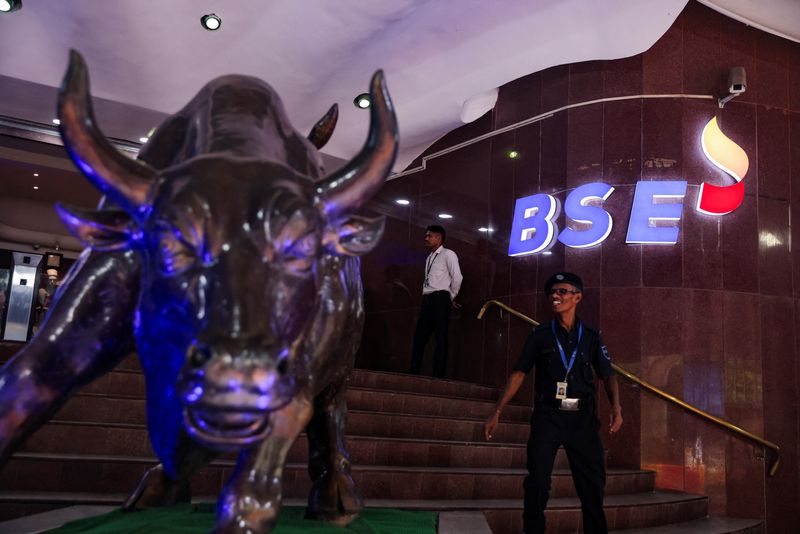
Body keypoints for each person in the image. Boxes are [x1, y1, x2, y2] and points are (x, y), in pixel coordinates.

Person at [484, 272, 622, 534]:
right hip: (548, 416)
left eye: (562, 291)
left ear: (577, 297)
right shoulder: (540, 334)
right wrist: (497, 411)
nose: (555, 296)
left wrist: (616, 407)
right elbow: (519, 373)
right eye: (552, 292)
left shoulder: (591, 336)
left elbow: (608, 375)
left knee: (592, 485)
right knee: (537, 482)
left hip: (582, 420)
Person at [408, 225, 462, 378]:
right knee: (419, 337)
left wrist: (450, 296)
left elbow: (457, 277)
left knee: (441, 337)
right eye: (426, 235)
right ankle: (413, 371)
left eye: (429, 236)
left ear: (438, 238)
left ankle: (438, 375)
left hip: (440, 299)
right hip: (427, 300)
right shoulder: (430, 257)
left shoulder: (448, 254)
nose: (426, 238)